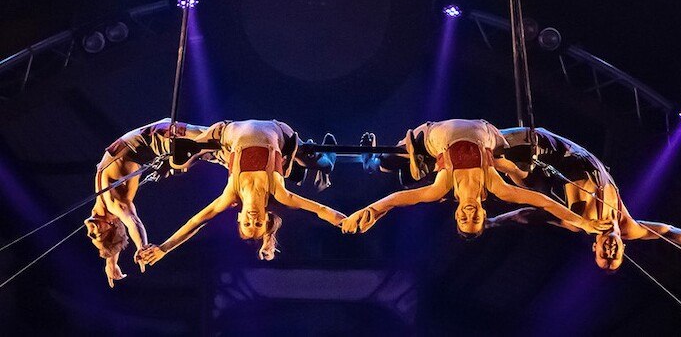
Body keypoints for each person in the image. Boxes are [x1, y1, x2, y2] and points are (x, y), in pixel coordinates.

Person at [487, 127, 681, 273]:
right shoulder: (630, 228)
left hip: (561, 155)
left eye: (605, 255)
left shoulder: (578, 223)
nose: (610, 250)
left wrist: (493, 222)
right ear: (624, 249)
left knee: (519, 165)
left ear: (595, 248)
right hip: (581, 156)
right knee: (512, 151)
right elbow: (669, 232)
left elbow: (528, 215)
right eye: (615, 255)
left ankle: (485, 151)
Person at [341, 119, 612, 238]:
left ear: (456, 214)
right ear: (483, 213)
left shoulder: (441, 188)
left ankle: (373, 163)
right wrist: (582, 222)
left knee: (396, 164)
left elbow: (398, 200)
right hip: (483, 131)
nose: (469, 214)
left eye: (463, 219)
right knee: (409, 170)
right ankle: (393, 166)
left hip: (436, 134)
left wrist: (368, 211)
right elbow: (542, 201)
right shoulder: (495, 186)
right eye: (476, 219)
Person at [138, 120, 346, 266]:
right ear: (266, 219)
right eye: (258, 224)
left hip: (228, 133)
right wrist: (344, 222)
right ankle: (327, 160)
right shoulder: (278, 193)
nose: (252, 219)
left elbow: (195, 222)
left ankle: (183, 152)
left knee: (187, 158)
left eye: (246, 224)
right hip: (278, 131)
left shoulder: (231, 194)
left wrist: (164, 248)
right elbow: (321, 209)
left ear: (239, 217)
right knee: (314, 162)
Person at [86, 118, 223, 287]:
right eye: (95, 234)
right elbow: (132, 222)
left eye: (90, 235)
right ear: (112, 223)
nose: (89, 231)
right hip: (159, 138)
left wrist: (113, 260)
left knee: (221, 141)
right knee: (221, 143)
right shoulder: (114, 204)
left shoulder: (106, 202)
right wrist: (140, 249)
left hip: (156, 137)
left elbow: (123, 227)